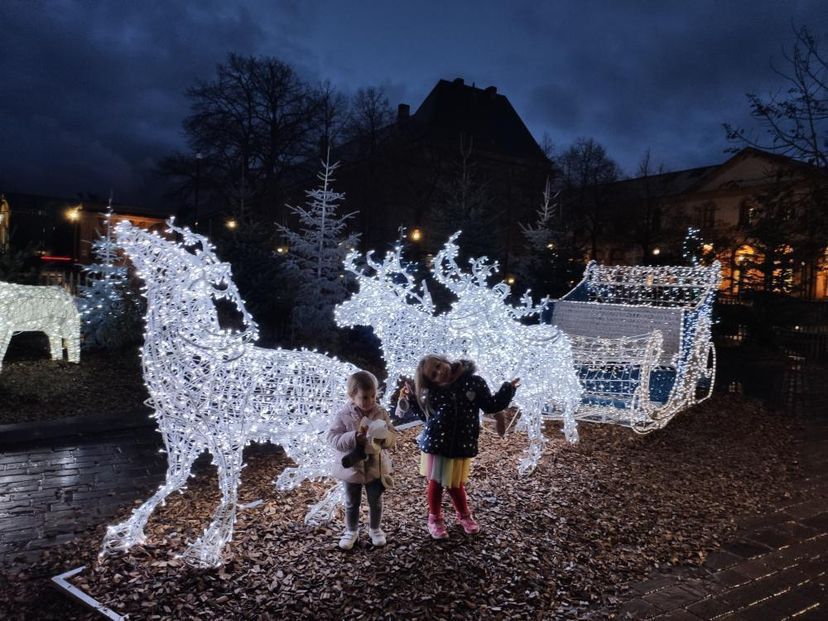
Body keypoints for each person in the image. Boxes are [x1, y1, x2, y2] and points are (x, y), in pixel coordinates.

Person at [398, 355, 519, 539]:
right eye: (433, 374)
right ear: (431, 381)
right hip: (437, 444)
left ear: (446, 360)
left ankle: (464, 515)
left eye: (439, 365)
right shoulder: (435, 392)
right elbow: (427, 418)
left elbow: (490, 405)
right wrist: (413, 400)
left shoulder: (474, 382)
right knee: (436, 483)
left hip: (461, 442)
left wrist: (507, 390)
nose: (440, 371)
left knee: (456, 483)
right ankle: (435, 518)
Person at [328, 370, 396, 550]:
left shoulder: (380, 412)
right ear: (352, 396)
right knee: (352, 502)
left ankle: (375, 529)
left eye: (373, 396)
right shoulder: (343, 414)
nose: (370, 401)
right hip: (352, 468)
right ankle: (351, 530)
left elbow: (391, 434)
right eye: (365, 397)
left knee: (375, 500)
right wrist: (352, 437)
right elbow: (332, 438)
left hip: (375, 467)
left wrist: (384, 438)